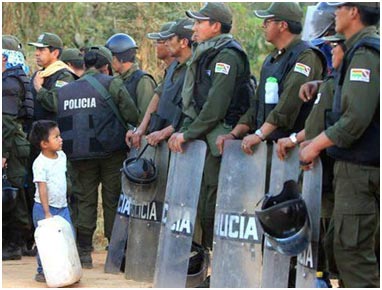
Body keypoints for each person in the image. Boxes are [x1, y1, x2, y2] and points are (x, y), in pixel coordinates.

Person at [299, 2, 380, 288]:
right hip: (356, 167)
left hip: (361, 169)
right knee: (346, 249)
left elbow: (356, 118)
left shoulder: (365, 53)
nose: (334, 13)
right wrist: (322, 85)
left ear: (354, 11)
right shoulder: (359, 52)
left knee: (352, 254)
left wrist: (314, 145)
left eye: (339, 7)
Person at [168, 2, 253, 249]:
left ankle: (220, 269)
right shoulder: (207, 52)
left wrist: (188, 134)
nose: (194, 28)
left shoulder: (227, 54)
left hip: (222, 138)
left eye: (199, 22)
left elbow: (216, 106)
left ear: (215, 26)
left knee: (217, 206)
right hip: (207, 137)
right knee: (206, 204)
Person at [56, 46, 139, 269]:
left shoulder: (66, 91)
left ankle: (83, 252)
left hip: (79, 155)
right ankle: (115, 253)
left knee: (84, 200)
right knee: (112, 200)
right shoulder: (112, 83)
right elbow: (132, 114)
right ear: (105, 66)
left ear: (84, 66)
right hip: (111, 152)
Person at [277, 33, 346, 286]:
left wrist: (304, 143)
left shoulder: (351, 75)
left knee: (340, 235)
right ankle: (320, 277)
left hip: (339, 164)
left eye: (335, 46)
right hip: (323, 165)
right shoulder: (333, 79)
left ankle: (325, 277)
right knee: (321, 226)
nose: (332, 50)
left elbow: (341, 122)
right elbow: (320, 120)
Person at [235, 2, 326, 156]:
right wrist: (235, 133)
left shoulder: (306, 56)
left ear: (282, 25)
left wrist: (259, 134)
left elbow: (289, 101)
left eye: (268, 21)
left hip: (291, 148)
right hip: (267, 145)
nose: (263, 26)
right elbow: (257, 105)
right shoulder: (272, 58)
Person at [126, 18, 194, 149]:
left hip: (181, 141)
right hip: (163, 137)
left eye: (167, 40)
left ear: (183, 42)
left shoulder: (194, 69)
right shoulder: (173, 68)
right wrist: (141, 129)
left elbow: (195, 111)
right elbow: (158, 95)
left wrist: (166, 131)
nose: (166, 44)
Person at [28, 120, 73, 283]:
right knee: (46, 242)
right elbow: (42, 189)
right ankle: (42, 271)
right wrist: (47, 213)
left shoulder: (62, 156)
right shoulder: (39, 164)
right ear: (44, 144)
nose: (61, 139)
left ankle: (67, 269)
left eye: (59, 136)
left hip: (62, 207)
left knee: (68, 237)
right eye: (56, 137)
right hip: (44, 208)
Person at [2, 35, 33, 261]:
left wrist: (2, 153)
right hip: (11, 143)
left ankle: (15, 243)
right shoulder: (14, 79)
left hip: (10, 144)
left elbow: (6, 121)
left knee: (12, 194)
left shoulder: (10, 83)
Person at [105, 33, 156, 123]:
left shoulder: (143, 81)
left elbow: (146, 117)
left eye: (111, 58)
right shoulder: (117, 80)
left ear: (118, 59)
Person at [28, 32, 77, 122]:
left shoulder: (64, 76)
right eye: (36, 49)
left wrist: (39, 88)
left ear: (55, 53)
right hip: (35, 130)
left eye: (42, 49)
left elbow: (55, 104)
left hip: (52, 132)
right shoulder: (39, 74)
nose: (36, 53)